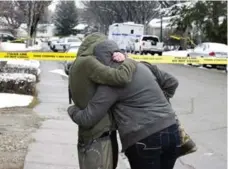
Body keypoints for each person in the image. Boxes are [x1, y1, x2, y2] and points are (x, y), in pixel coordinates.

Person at [67, 39, 195, 169]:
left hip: (144, 139)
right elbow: (172, 83)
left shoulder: (112, 83)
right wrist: (160, 101)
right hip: (172, 131)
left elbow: (88, 118)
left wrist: (72, 110)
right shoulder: (141, 65)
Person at [68, 32, 137, 169]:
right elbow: (121, 77)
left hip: (88, 132)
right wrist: (129, 60)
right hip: (100, 134)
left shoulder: (78, 63)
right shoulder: (88, 62)